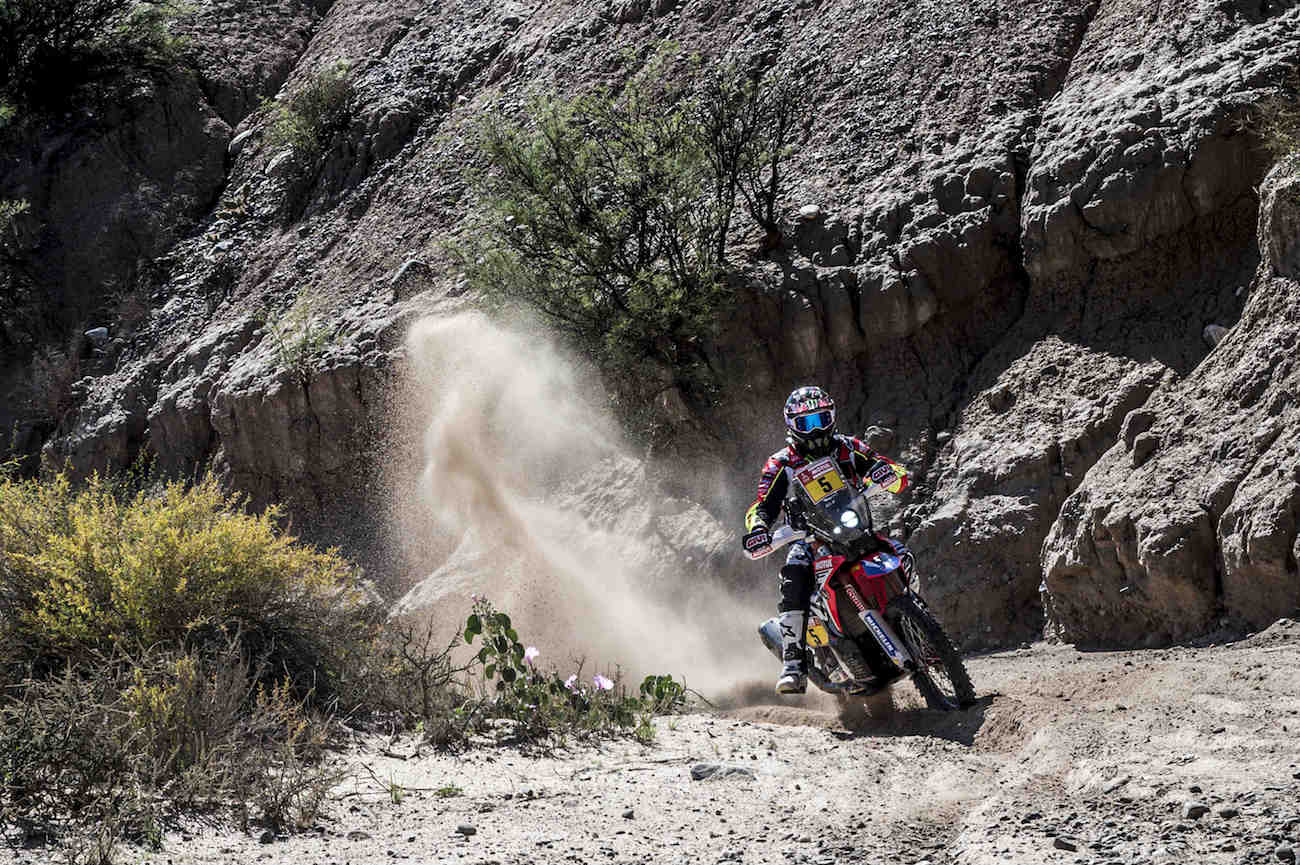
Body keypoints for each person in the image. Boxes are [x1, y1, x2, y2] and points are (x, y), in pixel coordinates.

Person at [740, 386, 910, 694]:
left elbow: (885, 467)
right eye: (806, 423)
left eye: (820, 419)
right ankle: (793, 665)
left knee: (900, 551)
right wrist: (759, 529)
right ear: (792, 426)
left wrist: (889, 474)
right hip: (810, 539)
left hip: (856, 528)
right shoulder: (782, 463)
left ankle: (916, 616)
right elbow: (763, 505)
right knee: (794, 575)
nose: (815, 429)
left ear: (832, 417)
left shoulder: (848, 447)